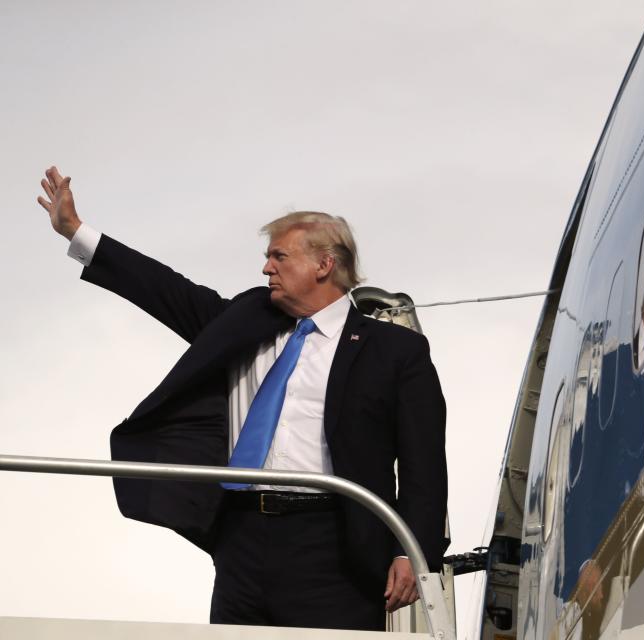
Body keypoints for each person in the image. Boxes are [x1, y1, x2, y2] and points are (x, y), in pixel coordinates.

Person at [35, 166, 448, 630]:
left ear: (324, 264)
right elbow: (165, 289)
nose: (266, 267)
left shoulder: (393, 349)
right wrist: (76, 231)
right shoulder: (246, 320)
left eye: (279, 256)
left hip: (336, 545)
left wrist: (413, 552)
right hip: (242, 537)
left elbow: (423, 466)